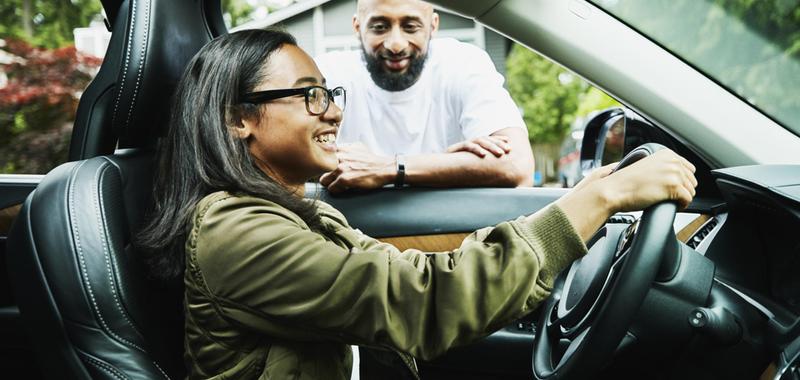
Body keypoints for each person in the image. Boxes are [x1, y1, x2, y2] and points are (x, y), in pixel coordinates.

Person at [137, 29, 697, 380]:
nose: (332, 111)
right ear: (238, 119)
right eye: (309, 94)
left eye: (330, 93)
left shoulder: (296, 210)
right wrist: (599, 198)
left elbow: (407, 275)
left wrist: (580, 199)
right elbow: (421, 301)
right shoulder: (236, 232)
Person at [315, 0, 536, 193]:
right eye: (380, 27)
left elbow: (517, 166)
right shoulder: (329, 74)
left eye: (410, 27)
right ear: (357, 27)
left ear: (433, 25)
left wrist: (390, 168)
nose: (395, 44)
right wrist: (452, 164)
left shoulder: (463, 64)